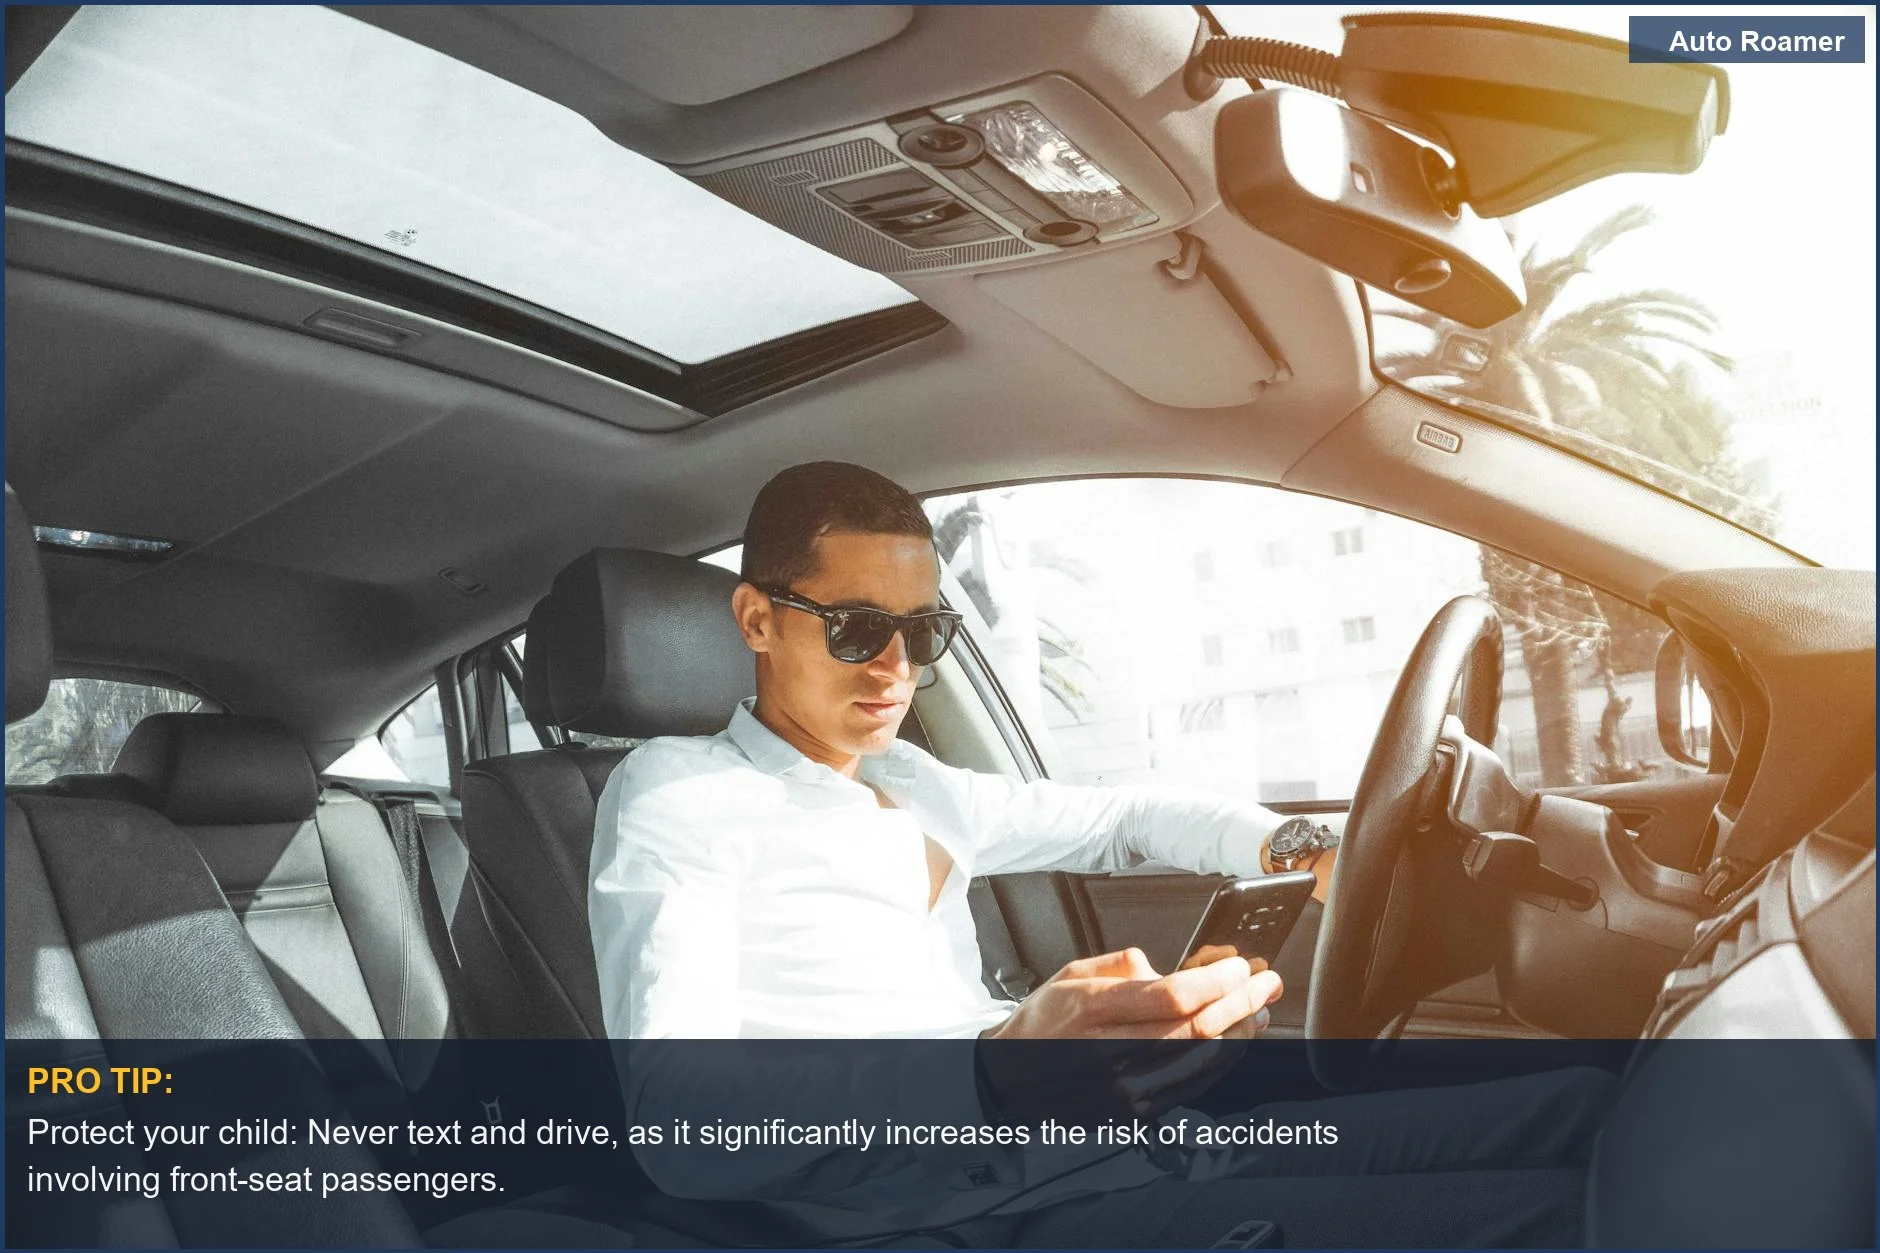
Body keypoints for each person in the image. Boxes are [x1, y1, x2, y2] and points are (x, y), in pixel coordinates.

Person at [587, 461, 1613, 1245]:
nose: (898, 668)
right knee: (1567, 1219)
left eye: (923, 630)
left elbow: (1122, 818)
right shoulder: (678, 795)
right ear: (756, 620)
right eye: (857, 628)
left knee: (1582, 1105)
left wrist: (1299, 846)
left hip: (1116, 1149)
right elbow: (683, 1127)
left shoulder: (916, 781)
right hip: (963, 1217)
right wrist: (993, 1076)